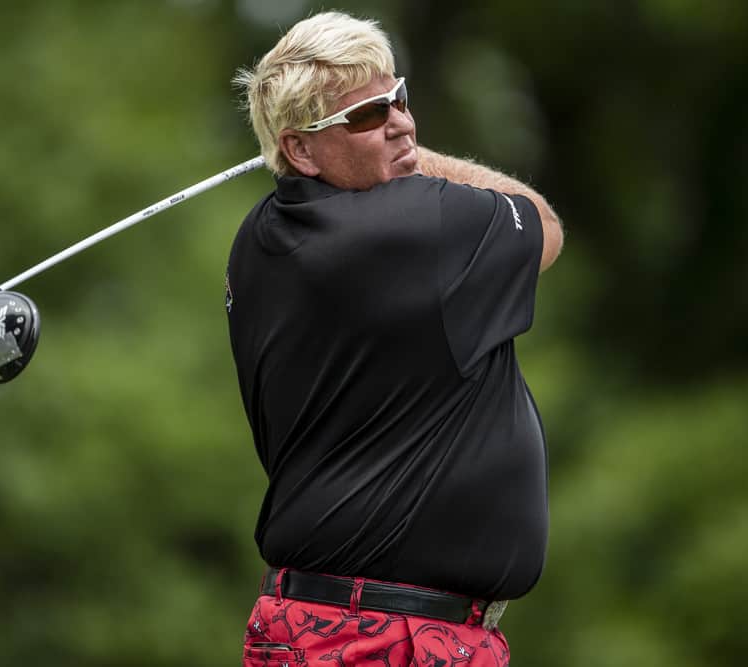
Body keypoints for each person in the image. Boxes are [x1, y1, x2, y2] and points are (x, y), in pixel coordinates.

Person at [227, 11, 563, 666]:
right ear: (300, 149)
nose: (402, 123)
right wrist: (418, 164)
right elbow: (544, 226)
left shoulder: (256, 241)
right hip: (389, 635)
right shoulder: (414, 226)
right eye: (368, 115)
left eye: (398, 96)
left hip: (313, 622)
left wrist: (378, 148)